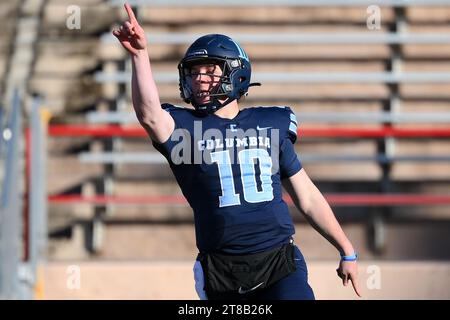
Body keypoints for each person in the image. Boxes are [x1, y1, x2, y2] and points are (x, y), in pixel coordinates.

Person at [113, 3, 361, 300]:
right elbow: (150, 114)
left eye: (209, 71)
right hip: (221, 270)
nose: (200, 79)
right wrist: (140, 55)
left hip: (278, 262)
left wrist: (346, 250)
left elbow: (306, 197)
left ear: (236, 74)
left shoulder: (271, 124)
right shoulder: (186, 128)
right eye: (194, 73)